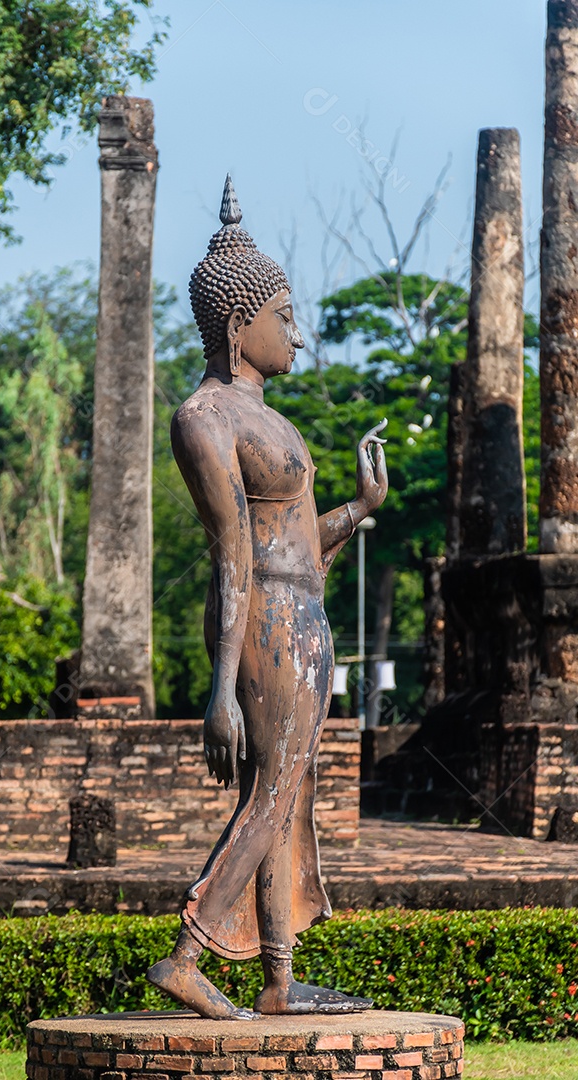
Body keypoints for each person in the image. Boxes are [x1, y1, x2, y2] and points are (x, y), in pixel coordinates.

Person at [148, 176, 388, 1019]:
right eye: (283, 316)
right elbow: (235, 556)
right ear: (237, 324)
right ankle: (188, 954)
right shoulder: (205, 417)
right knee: (271, 791)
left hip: (303, 613)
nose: (296, 333)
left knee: (292, 795)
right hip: (265, 623)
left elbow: (293, 543)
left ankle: (281, 977)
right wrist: (220, 689)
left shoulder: (271, 419)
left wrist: (358, 510)